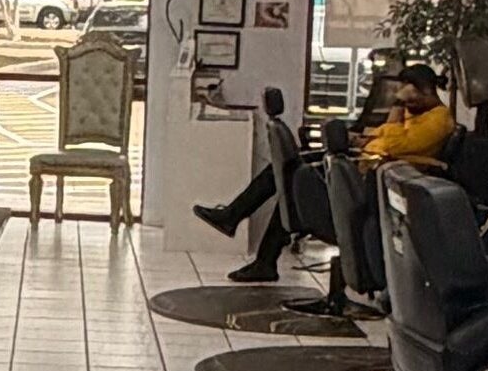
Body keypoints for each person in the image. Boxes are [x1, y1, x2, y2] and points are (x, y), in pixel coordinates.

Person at [193, 65, 456, 283]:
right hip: (361, 168)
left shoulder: (438, 119)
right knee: (287, 177)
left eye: (407, 95)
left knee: (292, 180)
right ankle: (250, 240)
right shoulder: (416, 116)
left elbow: (395, 144)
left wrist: (397, 108)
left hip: (372, 183)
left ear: (425, 91)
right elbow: (382, 136)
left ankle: (243, 230)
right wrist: (359, 139)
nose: (402, 99)